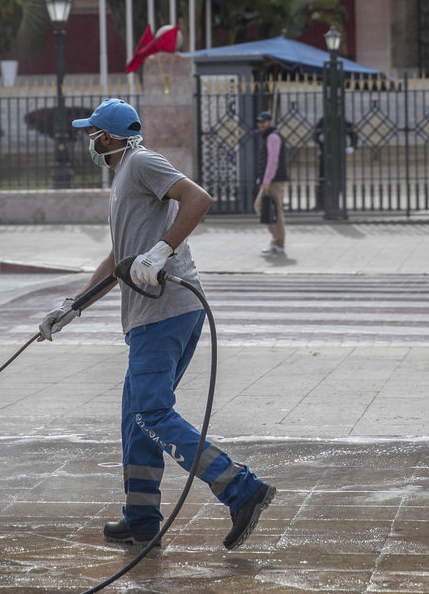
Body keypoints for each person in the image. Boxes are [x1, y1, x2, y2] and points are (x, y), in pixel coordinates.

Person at [37, 98, 275, 550]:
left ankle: (242, 488)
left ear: (106, 138)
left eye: (92, 134)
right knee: (136, 419)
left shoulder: (141, 162)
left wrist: (162, 250)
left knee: (151, 414)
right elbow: (118, 258)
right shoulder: (125, 179)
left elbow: (198, 198)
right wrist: (75, 305)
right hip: (161, 313)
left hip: (162, 313)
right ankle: (141, 519)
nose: (89, 142)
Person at [253, 111, 288, 255]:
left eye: (264, 121)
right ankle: (276, 240)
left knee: (272, 210)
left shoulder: (273, 137)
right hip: (271, 180)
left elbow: (273, 161)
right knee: (265, 208)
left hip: (274, 181)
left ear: (271, 122)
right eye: (260, 122)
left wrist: (266, 181)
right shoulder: (268, 136)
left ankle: (279, 242)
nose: (261, 124)